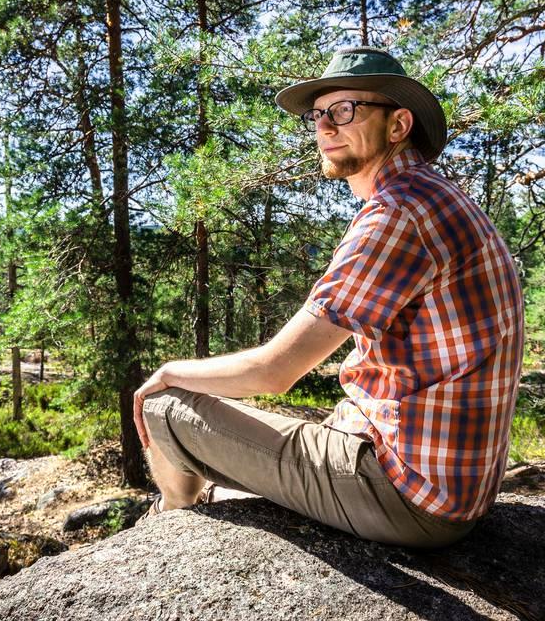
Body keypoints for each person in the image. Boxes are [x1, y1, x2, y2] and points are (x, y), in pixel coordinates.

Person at [134, 46, 524, 548]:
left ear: (399, 125)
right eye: (319, 115)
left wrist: (168, 372)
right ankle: (196, 513)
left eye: (344, 111)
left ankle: (172, 526)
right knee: (239, 460)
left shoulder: (397, 214)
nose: (325, 126)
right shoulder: (432, 195)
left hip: (408, 495)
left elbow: (274, 373)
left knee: (164, 406)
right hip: (445, 485)